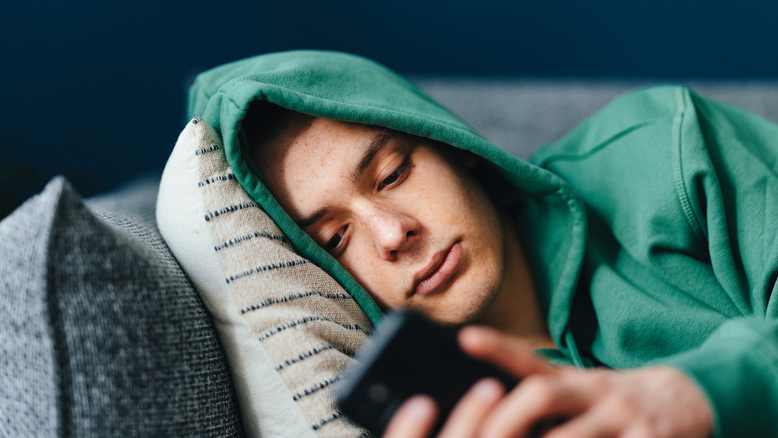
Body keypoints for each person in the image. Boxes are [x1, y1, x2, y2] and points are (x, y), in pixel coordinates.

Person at [187, 50, 778, 437]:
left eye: (393, 174)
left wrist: (702, 393)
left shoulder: (667, 150)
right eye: (337, 239)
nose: (394, 234)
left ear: (453, 144)